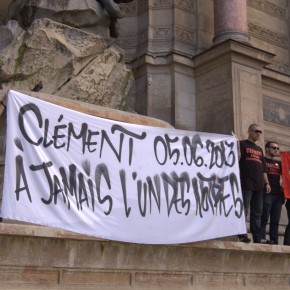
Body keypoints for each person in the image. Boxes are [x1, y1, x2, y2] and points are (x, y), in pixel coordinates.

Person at [237, 124, 272, 244]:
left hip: (259, 185)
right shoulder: (242, 144)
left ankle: (257, 237)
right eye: (256, 131)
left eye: (260, 132)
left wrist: (267, 183)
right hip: (246, 183)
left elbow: (263, 169)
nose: (258, 134)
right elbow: (236, 159)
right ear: (249, 131)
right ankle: (242, 234)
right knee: (244, 210)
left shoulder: (260, 149)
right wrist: (235, 145)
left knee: (257, 213)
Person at [260, 141, 283, 244]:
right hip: (267, 193)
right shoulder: (263, 160)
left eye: (277, 148)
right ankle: (261, 238)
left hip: (278, 195)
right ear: (267, 149)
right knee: (264, 217)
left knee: (275, 220)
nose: (276, 150)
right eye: (274, 148)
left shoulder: (279, 163)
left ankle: (274, 240)